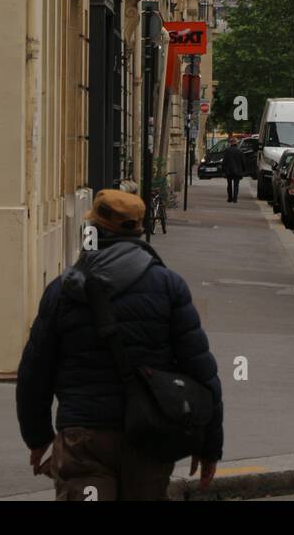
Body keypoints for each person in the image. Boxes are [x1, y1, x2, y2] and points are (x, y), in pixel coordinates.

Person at [16, 188, 223, 501]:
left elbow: (34, 371)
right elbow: (202, 372)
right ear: (140, 230)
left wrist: (37, 436)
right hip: (150, 435)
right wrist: (208, 446)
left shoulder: (63, 290)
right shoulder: (169, 286)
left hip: (83, 436)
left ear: (93, 231)